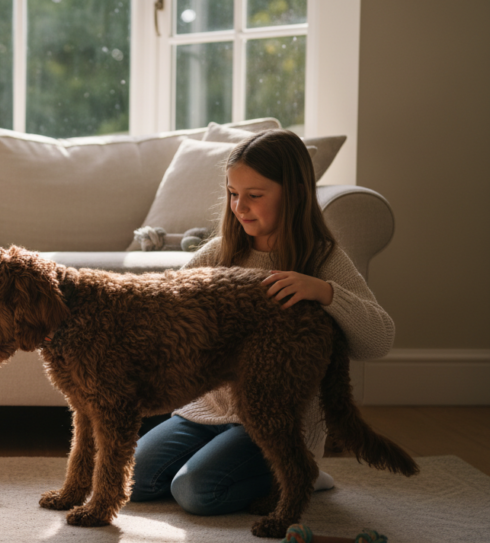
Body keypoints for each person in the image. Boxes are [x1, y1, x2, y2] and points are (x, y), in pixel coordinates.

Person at [130, 129, 395, 516]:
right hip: (204, 412)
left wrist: (326, 292)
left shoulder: (322, 259)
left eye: (255, 195)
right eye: (233, 194)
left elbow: (380, 339)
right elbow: (165, 303)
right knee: (132, 479)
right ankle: (231, 463)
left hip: (274, 422)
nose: (240, 206)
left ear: (296, 192)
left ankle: (302, 472)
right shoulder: (221, 251)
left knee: (194, 492)